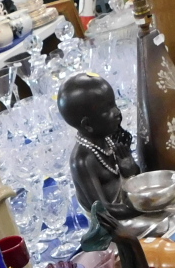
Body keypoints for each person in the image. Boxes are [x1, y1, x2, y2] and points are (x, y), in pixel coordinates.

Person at [57, 73, 141, 218]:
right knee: (165, 220)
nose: (117, 112)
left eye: (114, 104)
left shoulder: (109, 139)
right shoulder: (83, 160)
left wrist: (130, 170)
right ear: (87, 124)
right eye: (107, 110)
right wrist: (143, 209)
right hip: (112, 224)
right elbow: (103, 211)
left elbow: (135, 176)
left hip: (127, 207)